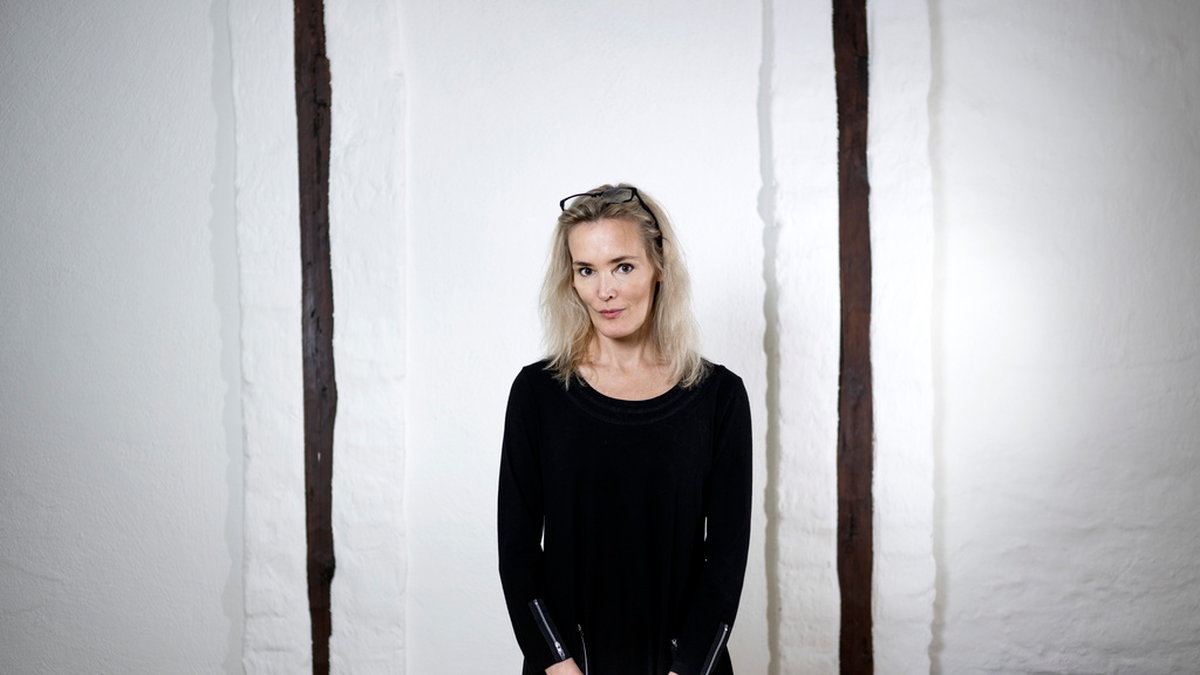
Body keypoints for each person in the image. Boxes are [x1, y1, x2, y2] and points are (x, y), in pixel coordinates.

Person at [497, 184, 752, 675]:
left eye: (623, 267)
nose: (604, 291)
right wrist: (557, 664)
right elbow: (517, 551)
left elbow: (725, 559)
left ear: (660, 266)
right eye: (586, 270)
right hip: (565, 668)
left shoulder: (718, 396)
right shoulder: (538, 393)